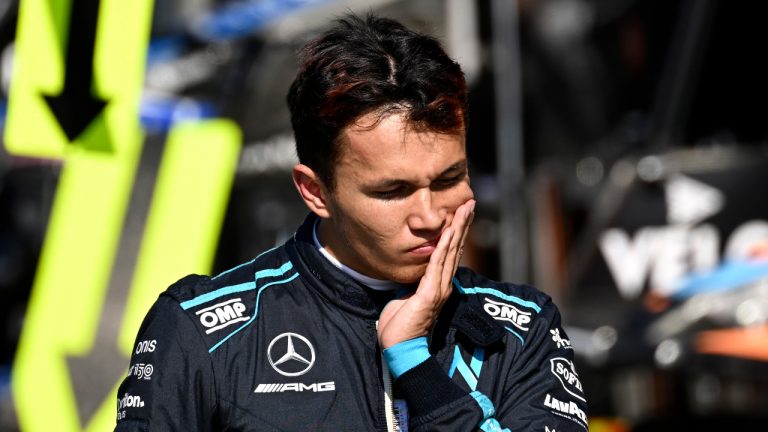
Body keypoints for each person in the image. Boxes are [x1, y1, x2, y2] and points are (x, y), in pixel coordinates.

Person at [114, 14, 588, 432]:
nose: (429, 217)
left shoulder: (522, 328)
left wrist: (417, 369)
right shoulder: (203, 332)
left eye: (449, 179)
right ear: (315, 192)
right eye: (392, 191)